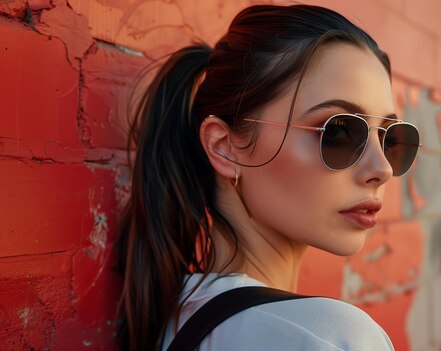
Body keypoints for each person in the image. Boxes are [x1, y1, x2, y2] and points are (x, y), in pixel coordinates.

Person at [117, 4, 420, 350]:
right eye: (338, 132)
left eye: (390, 137)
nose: (381, 169)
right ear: (225, 146)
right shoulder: (327, 337)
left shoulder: (177, 320)